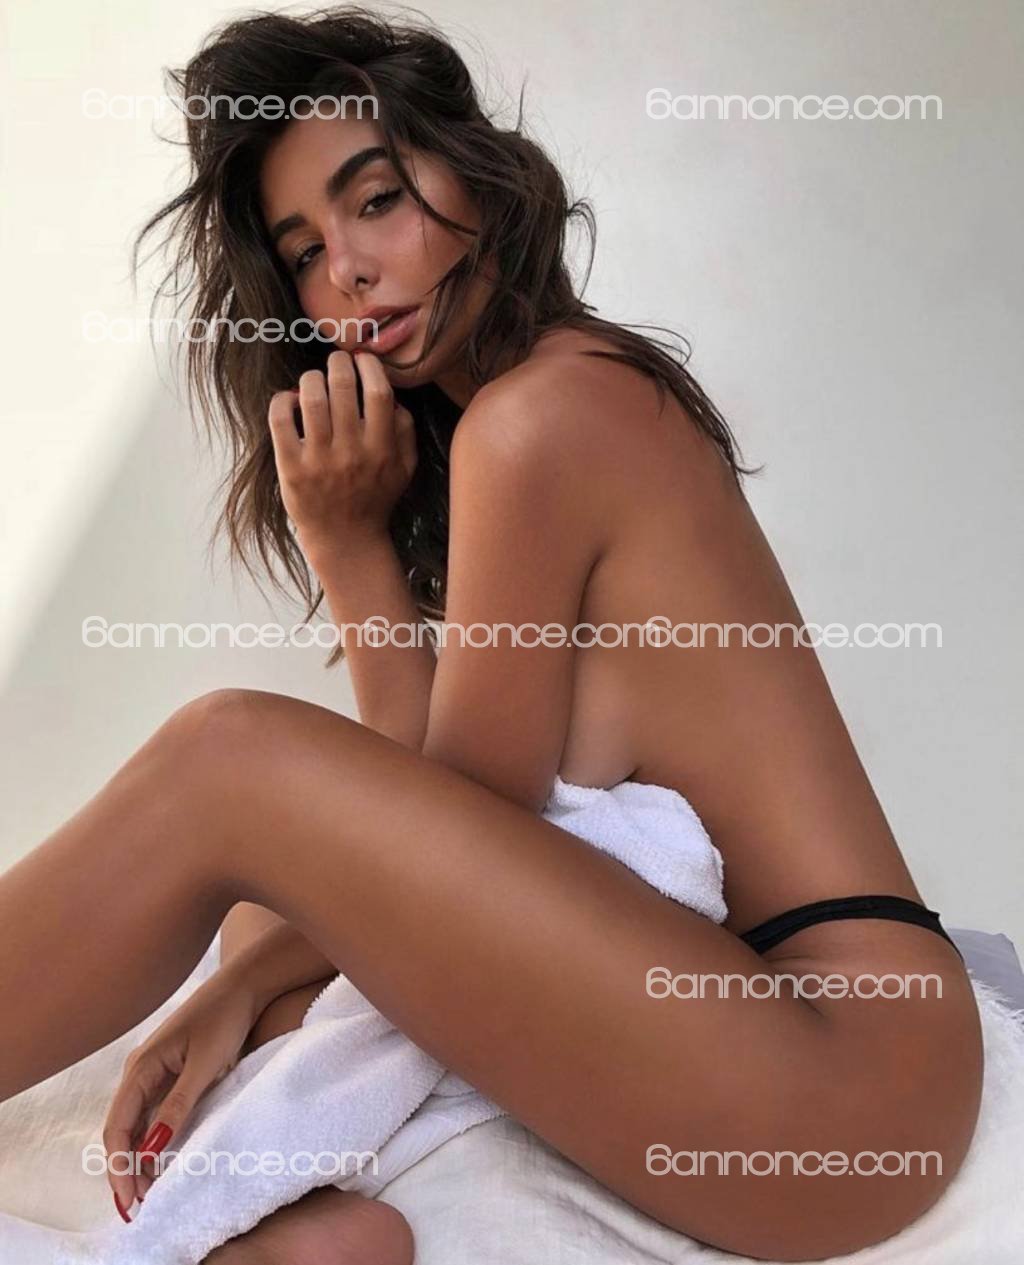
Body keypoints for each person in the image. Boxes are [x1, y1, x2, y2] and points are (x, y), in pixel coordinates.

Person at [0, 7, 982, 1263]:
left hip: (838, 1078)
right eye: (304, 253)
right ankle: (292, 1239)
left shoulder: (542, 420)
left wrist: (348, 552)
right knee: (259, 909)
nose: (348, 273)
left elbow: (454, 817)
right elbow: (435, 859)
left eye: (376, 200)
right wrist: (248, 963)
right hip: (765, 1044)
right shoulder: (540, 410)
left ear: (477, 174)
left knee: (224, 760)